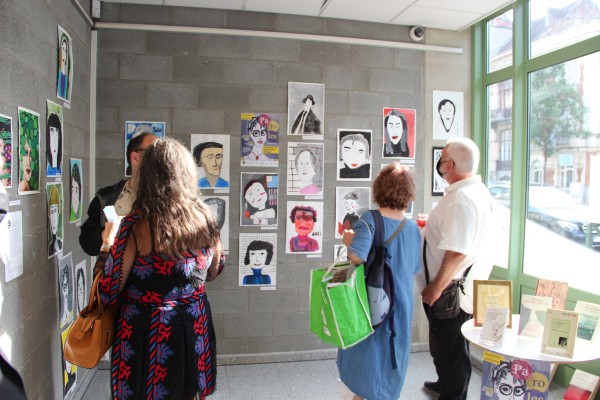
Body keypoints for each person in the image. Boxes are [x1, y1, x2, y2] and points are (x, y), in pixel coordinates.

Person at [95, 137, 224, 400]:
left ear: (146, 175)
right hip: (192, 326)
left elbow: (108, 291)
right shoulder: (206, 218)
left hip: (147, 333)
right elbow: (214, 271)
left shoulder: (136, 225)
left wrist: (107, 245)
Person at [417, 137, 494, 400]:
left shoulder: (462, 199)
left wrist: (434, 289)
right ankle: (446, 383)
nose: (441, 164)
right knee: (448, 346)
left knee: (449, 350)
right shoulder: (472, 192)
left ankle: (453, 393)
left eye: (443, 159)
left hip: (449, 291)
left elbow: (457, 252)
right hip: (458, 289)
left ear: (449, 164)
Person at [337, 162, 421, 400]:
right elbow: (414, 267)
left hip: (372, 304)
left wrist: (347, 241)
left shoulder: (370, 220)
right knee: (391, 361)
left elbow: (356, 257)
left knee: (367, 361)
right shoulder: (413, 228)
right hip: (400, 306)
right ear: (408, 194)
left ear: (379, 190)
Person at [79, 132, 158, 256]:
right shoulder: (106, 198)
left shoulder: (172, 198)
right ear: (135, 157)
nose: (161, 157)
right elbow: (87, 243)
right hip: (116, 273)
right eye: (154, 152)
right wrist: (104, 234)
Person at [48, 185, 63, 257]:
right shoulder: (50, 247)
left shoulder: (60, 242)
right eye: (52, 212)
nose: (53, 219)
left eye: (55, 211)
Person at [57, 33, 70, 100]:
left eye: (65, 50)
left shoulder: (66, 77)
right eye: (62, 49)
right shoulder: (59, 74)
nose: (64, 53)